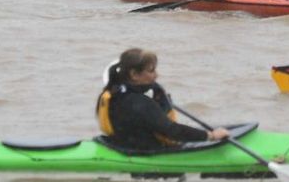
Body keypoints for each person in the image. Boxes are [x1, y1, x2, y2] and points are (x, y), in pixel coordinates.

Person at [95, 48, 229, 153]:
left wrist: (159, 97)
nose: (156, 75)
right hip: (143, 151)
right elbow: (173, 131)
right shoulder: (140, 103)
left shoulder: (113, 93)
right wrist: (210, 136)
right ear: (134, 74)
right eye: (151, 70)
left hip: (120, 144)